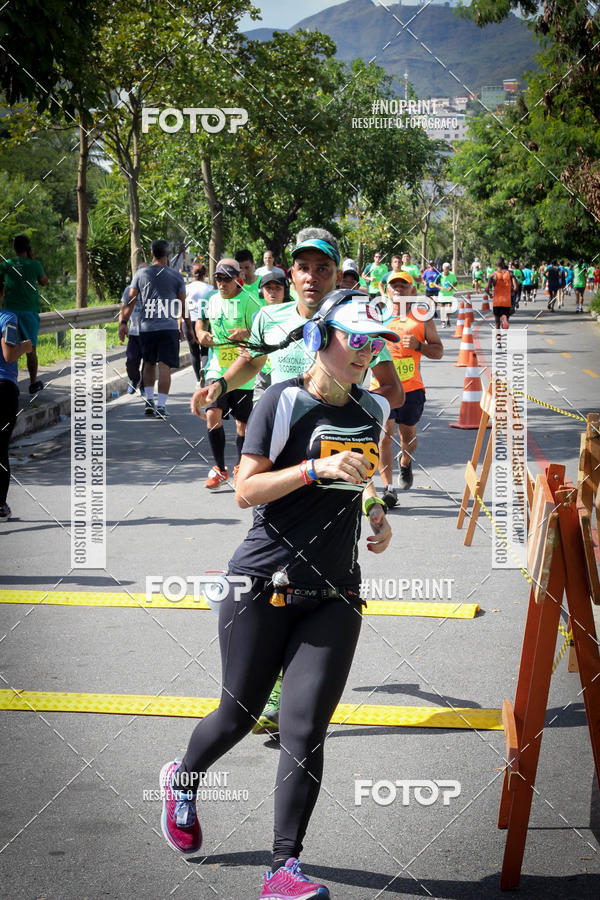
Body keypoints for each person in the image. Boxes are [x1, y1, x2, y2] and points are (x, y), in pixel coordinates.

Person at [160, 291, 394, 900]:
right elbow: (245, 490)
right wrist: (315, 469)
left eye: (376, 342)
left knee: (304, 729)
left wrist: (375, 512)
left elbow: (367, 476)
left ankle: (283, 869)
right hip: (261, 583)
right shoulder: (280, 401)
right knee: (238, 714)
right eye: (357, 339)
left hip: (336, 591)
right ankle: (182, 780)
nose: (368, 352)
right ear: (321, 340)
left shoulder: (373, 408)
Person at [373, 272, 443, 508]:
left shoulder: (421, 319)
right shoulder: (376, 318)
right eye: (394, 286)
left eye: (404, 286)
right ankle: (389, 489)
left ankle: (405, 462)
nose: (398, 290)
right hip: (381, 389)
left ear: (413, 291)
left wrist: (419, 346)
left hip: (411, 390)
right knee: (384, 437)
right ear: (387, 290)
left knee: (408, 437)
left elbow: (438, 351)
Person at [196, 258, 261, 488]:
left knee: (242, 425)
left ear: (237, 279)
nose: (222, 283)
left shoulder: (249, 301)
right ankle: (220, 469)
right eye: (218, 278)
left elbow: (262, 330)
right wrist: (201, 333)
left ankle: (240, 467)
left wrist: (246, 332)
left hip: (243, 370)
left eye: (227, 278)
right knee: (213, 414)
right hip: (216, 369)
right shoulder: (210, 300)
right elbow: (200, 323)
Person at [119, 239, 189, 418]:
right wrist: (189, 328)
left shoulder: (141, 274)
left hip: (147, 328)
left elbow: (131, 301)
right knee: (165, 367)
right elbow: (183, 306)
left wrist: (123, 323)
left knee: (148, 364)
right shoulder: (176, 276)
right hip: (169, 328)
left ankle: (149, 400)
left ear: (151, 254)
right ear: (168, 256)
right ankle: (162, 406)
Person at [0, 235, 48, 394]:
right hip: (29, 311)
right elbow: (44, 281)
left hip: (9, 312)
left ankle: (12, 381)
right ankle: (33, 383)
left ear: (14, 248)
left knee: (10, 348)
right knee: (30, 348)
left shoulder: (6, 264)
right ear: (28, 248)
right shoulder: (34, 264)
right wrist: (32, 261)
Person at [0, 299, 32, 519]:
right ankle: (1, 505)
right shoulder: (7, 319)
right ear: (1, 292)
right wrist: (25, 346)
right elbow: (9, 354)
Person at [253, 269, 290, 403]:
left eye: (277, 288)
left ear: (285, 291)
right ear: (261, 291)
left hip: (285, 374)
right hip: (263, 375)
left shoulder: (293, 314)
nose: (272, 292)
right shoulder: (257, 316)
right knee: (258, 418)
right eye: (268, 288)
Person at [118, 262, 148, 396]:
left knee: (148, 363)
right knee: (131, 361)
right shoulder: (129, 290)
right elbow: (123, 309)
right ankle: (134, 379)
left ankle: (144, 385)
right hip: (134, 332)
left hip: (149, 332)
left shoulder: (153, 290)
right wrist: (121, 325)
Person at [186, 264, 216, 387]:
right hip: (205, 320)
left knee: (193, 351)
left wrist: (180, 323)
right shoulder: (210, 288)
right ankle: (204, 369)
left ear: (193, 275)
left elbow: (183, 307)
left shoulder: (187, 288)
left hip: (189, 320)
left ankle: (198, 380)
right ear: (205, 275)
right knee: (205, 349)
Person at [486, 257, 517, 335]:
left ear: (496, 264)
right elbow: (516, 287)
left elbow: (486, 288)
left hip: (497, 301)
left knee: (497, 323)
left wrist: (490, 294)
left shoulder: (493, 275)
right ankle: (504, 319)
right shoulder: (510, 274)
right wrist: (511, 292)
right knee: (506, 315)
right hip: (506, 301)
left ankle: (499, 339)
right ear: (504, 264)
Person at [437, 262, 457, 327]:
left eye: (448, 268)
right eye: (445, 269)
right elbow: (435, 283)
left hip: (449, 294)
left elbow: (455, 282)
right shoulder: (440, 275)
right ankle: (443, 322)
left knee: (448, 308)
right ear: (443, 269)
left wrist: (451, 287)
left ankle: (448, 319)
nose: (446, 270)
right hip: (442, 294)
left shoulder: (452, 275)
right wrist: (440, 287)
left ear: (449, 268)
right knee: (442, 309)